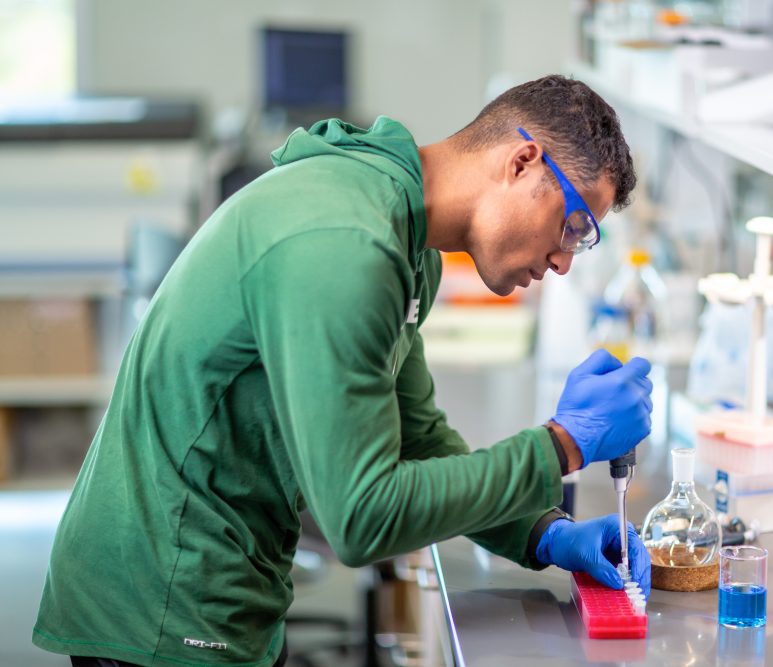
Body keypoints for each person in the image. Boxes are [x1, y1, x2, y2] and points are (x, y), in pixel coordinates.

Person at [33, 74, 653, 667]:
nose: (564, 261)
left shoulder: (408, 243)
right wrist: (562, 447)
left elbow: (419, 440)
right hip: (162, 599)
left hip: (228, 582)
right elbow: (362, 516)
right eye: (574, 227)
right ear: (522, 163)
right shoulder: (348, 240)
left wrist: (540, 532)